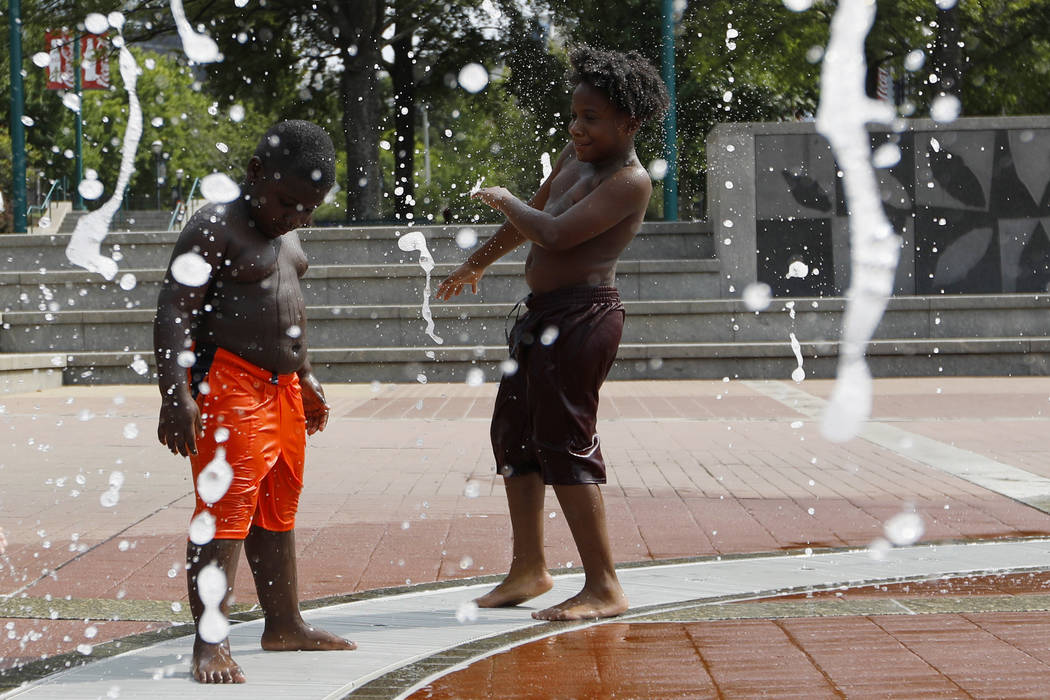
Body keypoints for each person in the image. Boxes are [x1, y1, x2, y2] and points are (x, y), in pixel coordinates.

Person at [436, 46, 669, 621]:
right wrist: (479, 262)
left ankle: (604, 584)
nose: (577, 128)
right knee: (515, 436)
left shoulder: (629, 181)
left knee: (566, 441)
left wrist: (506, 197)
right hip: (541, 316)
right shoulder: (573, 156)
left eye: (591, 119)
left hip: (583, 318)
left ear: (628, 123)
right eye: (574, 116)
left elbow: (557, 234)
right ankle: (529, 569)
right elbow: (530, 219)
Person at [154, 120, 355, 684]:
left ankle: (284, 623)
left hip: (282, 388)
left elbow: (289, 305)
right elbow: (174, 309)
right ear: (255, 174)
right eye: (290, 202)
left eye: (311, 208)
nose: (299, 218)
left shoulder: (286, 230)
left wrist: (307, 375)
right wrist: (176, 394)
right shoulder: (216, 226)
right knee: (225, 513)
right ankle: (209, 641)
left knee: (276, 508)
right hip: (229, 385)